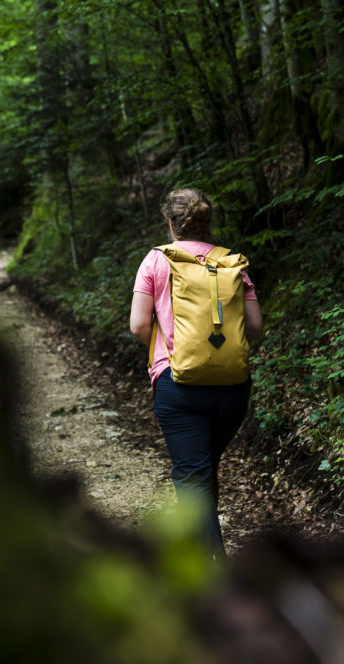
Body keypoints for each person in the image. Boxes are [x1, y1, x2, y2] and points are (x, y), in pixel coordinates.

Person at [130, 188, 263, 557]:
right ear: (208, 222)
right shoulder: (232, 262)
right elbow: (254, 328)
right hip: (233, 387)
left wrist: (170, 353)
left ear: (170, 223)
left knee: (192, 475)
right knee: (202, 469)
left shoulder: (158, 260)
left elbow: (139, 326)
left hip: (179, 385)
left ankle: (213, 574)